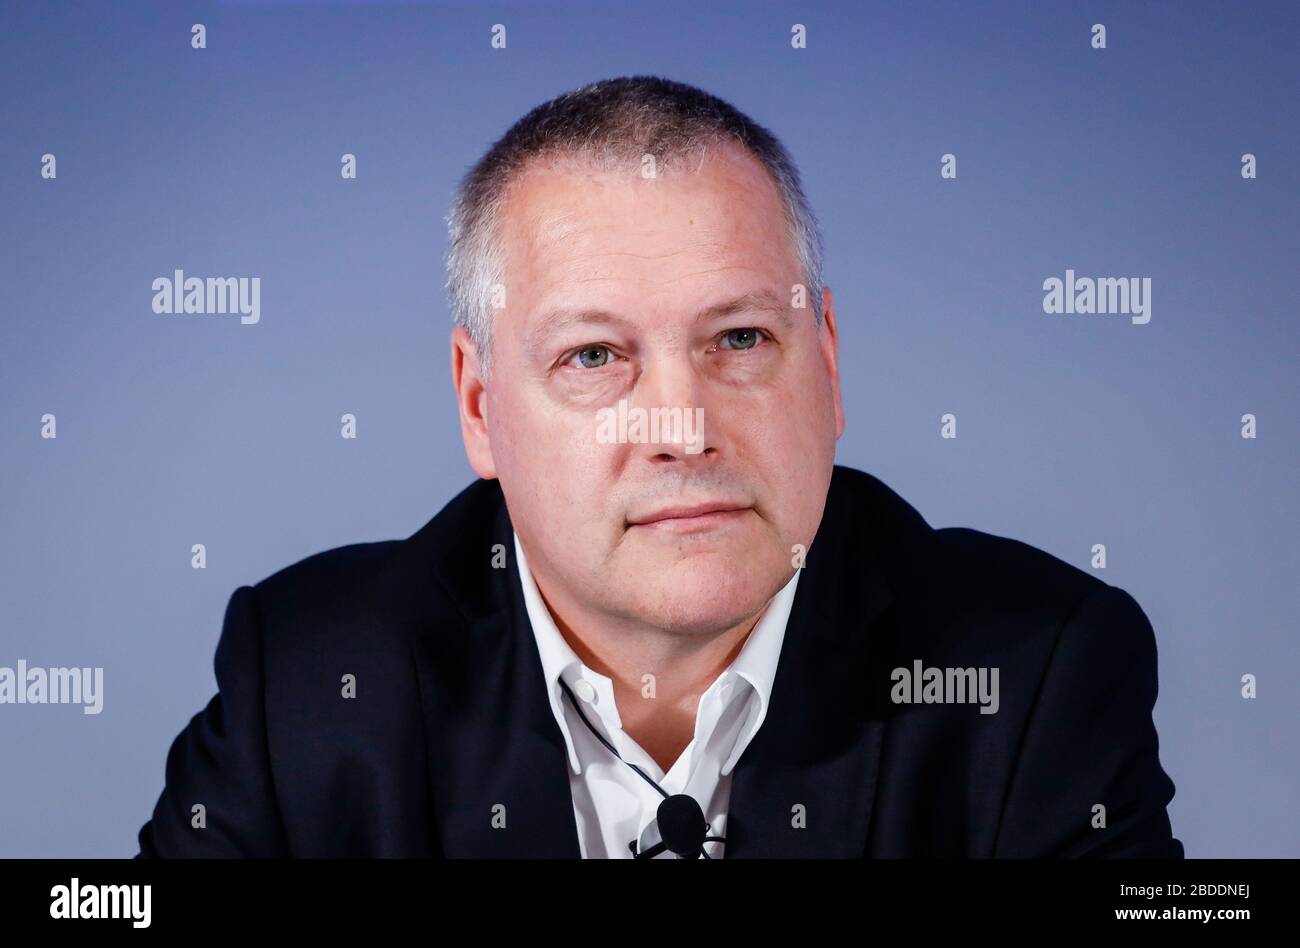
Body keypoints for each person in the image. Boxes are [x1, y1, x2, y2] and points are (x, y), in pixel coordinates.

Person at [137, 75, 1182, 858]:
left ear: (824, 364)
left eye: (737, 340)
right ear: (480, 407)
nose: (683, 428)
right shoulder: (308, 684)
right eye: (593, 357)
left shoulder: (1038, 671)